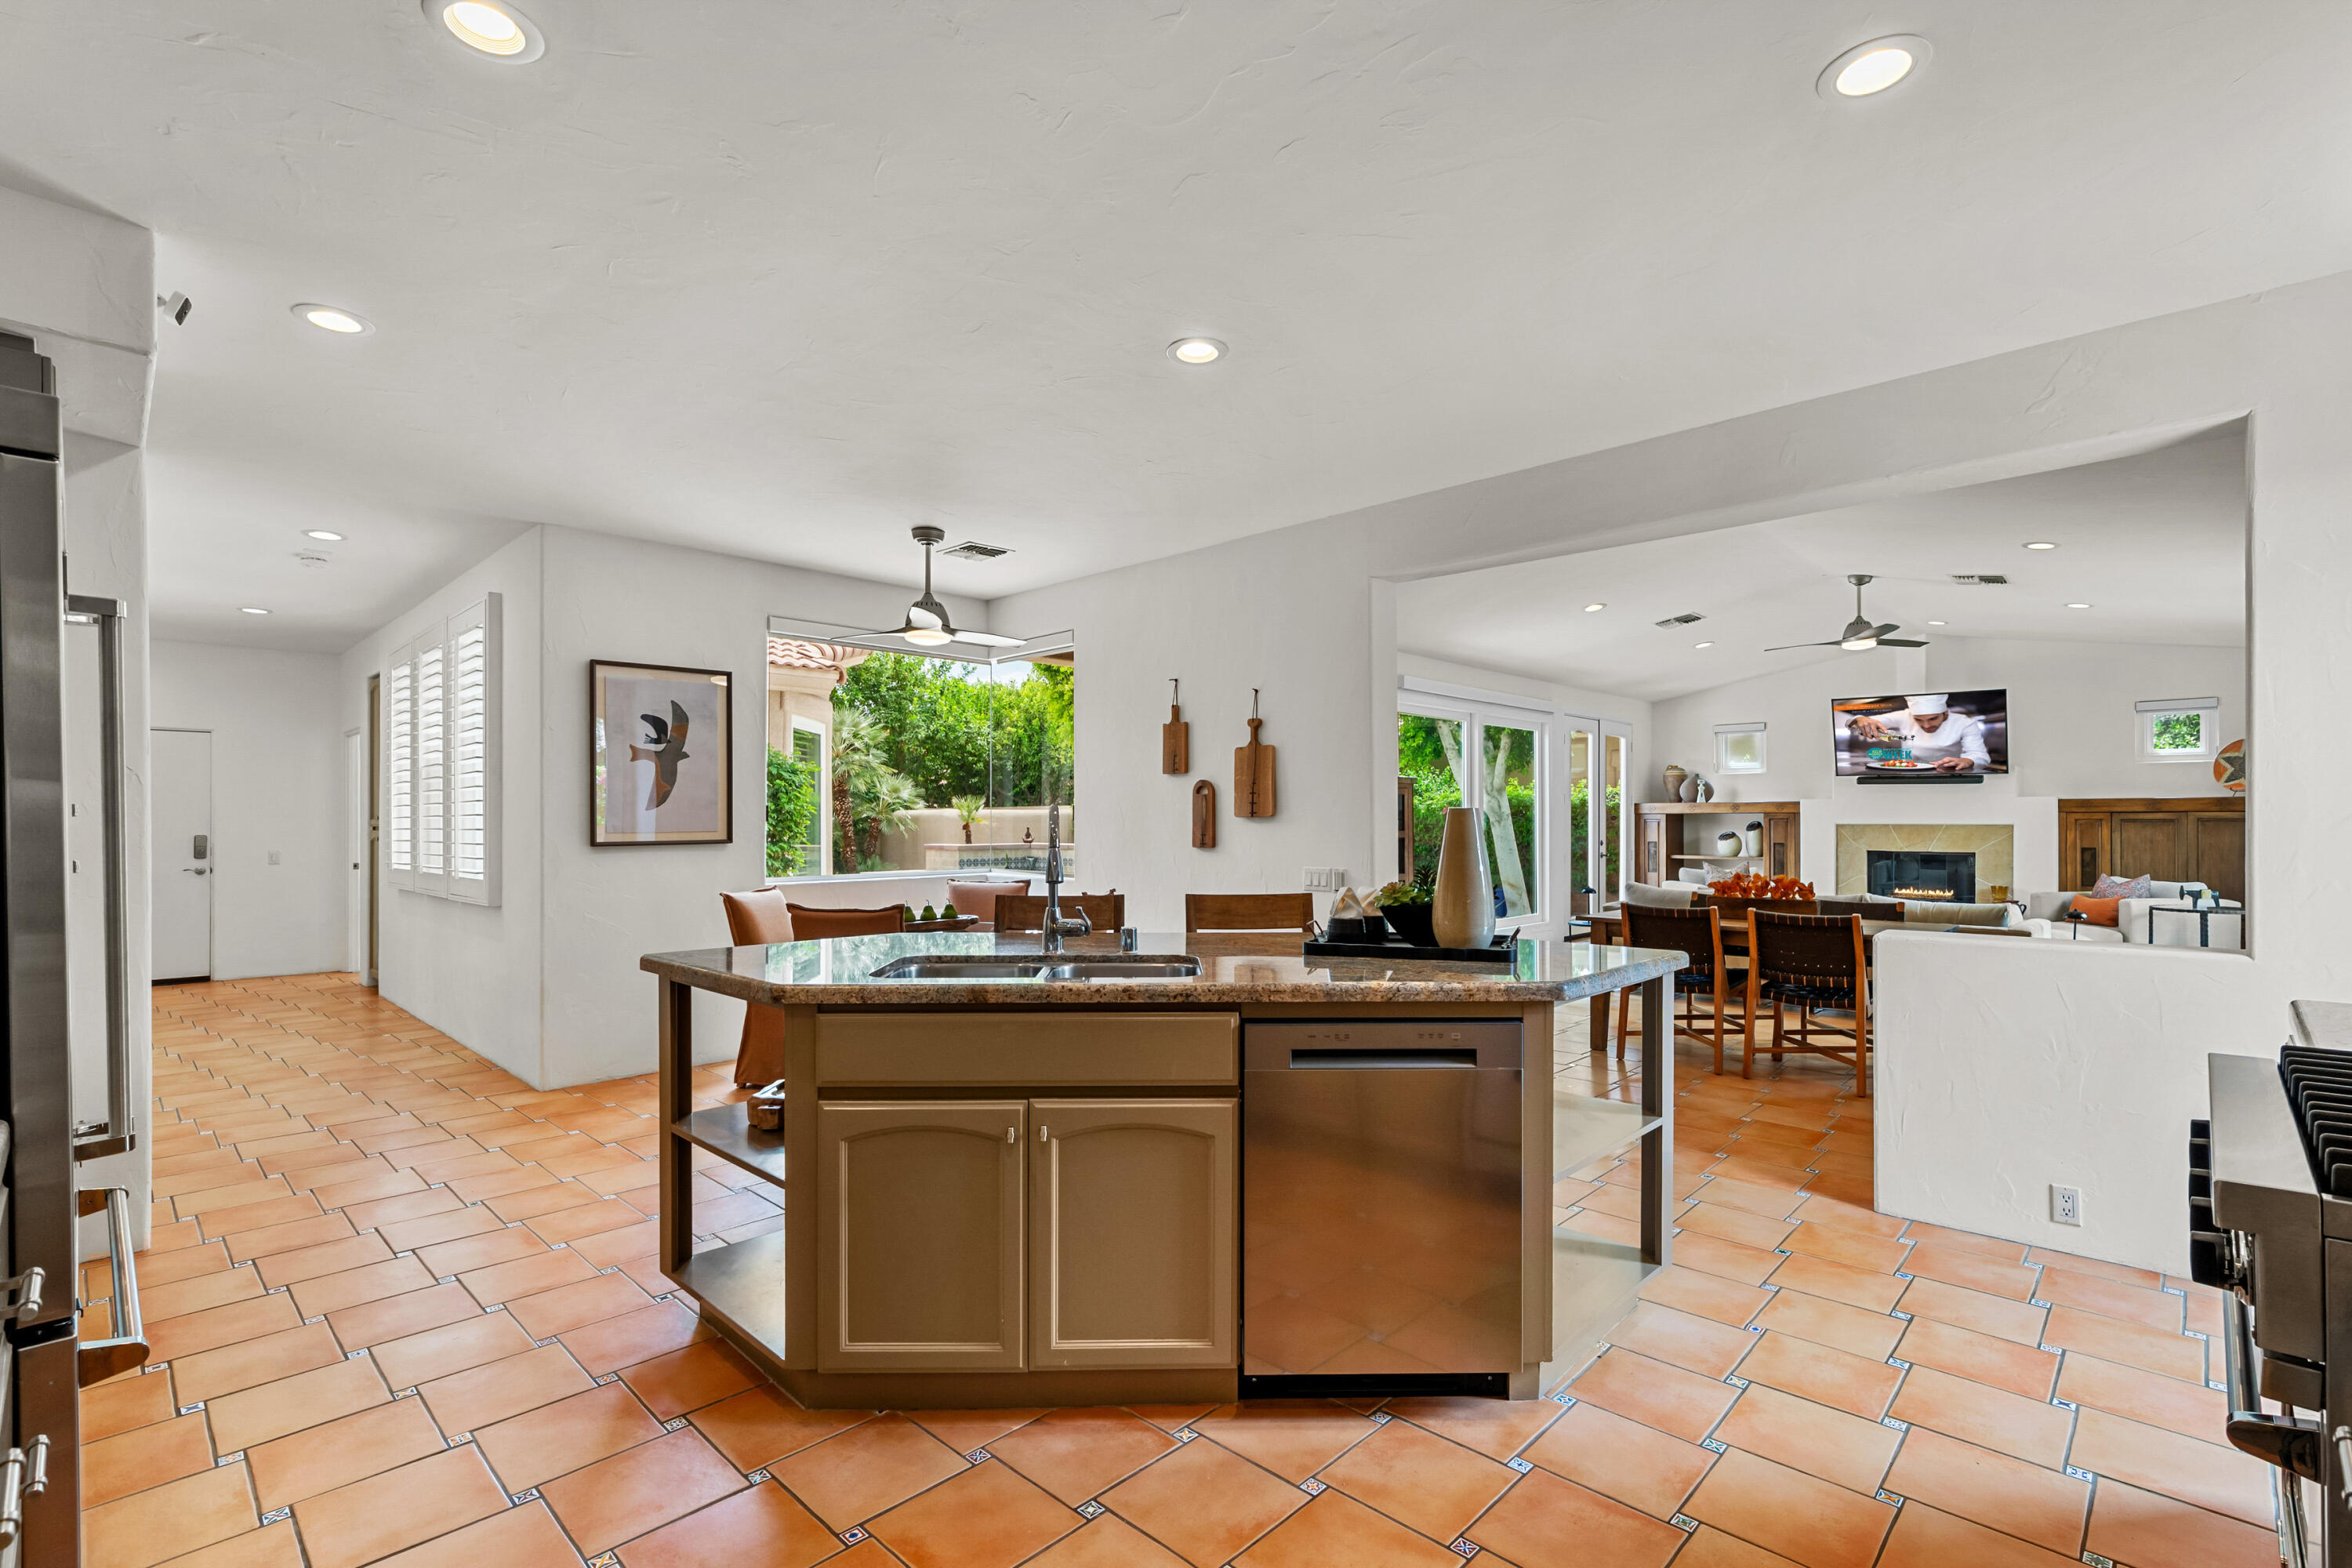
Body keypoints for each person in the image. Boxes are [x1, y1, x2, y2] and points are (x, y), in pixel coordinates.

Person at [1850, 694, 1991, 772]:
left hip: (1947, 775)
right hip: (1907, 772)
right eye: (1919, 720)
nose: (1927, 725)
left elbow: (1980, 755)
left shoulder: (1965, 722)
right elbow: (1855, 724)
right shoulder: (1905, 716)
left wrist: (1968, 760)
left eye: (1933, 718)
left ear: (1945, 714)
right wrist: (1860, 719)